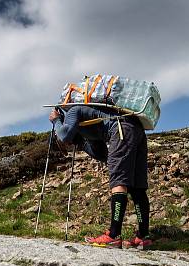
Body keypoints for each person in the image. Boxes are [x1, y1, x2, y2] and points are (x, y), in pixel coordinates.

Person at [49, 105, 152, 249]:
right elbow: (102, 154)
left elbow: (64, 134)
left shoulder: (73, 111)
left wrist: (56, 121)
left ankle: (113, 235)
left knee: (118, 181)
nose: (66, 143)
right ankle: (143, 236)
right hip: (136, 129)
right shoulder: (89, 120)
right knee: (137, 187)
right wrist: (80, 143)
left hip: (120, 129)